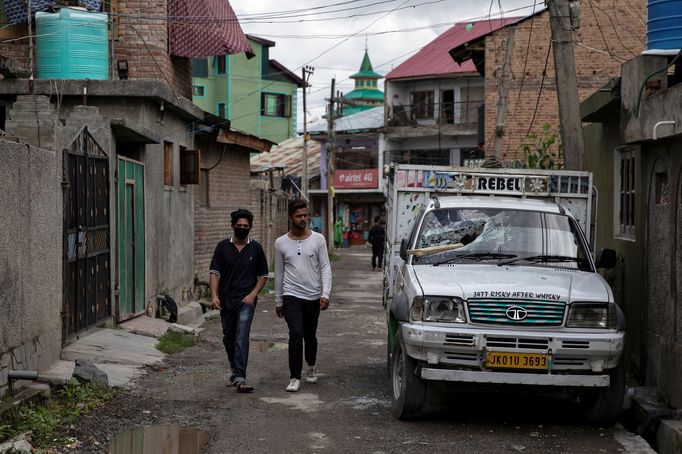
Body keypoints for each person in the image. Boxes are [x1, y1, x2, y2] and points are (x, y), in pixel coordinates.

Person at [274, 199, 332, 392]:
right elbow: (279, 273)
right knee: (296, 334)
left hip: (313, 296)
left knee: (310, 335)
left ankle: (312, 365)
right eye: (299, 216)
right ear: (290, 217)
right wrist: (278, 299)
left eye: (305, 215)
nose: (303, 219)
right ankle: (294, 377)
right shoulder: (280, 243)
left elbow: (325, 267)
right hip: (291, 295)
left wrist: (325, 293)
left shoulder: (318, 239)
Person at [210, 209, 268, 393]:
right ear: (233, 226)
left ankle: (241, 378)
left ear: (250, 227)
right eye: (239, 225)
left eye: (245, 226)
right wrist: (214, 295)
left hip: (246, 300)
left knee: (242, 335)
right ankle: (235, 371)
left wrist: (253, 295)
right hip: (227, 300)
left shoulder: (256, 248)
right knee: (229, 336)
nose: (242, 228)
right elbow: (214, 273)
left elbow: (263, 275)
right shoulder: (222, 247)